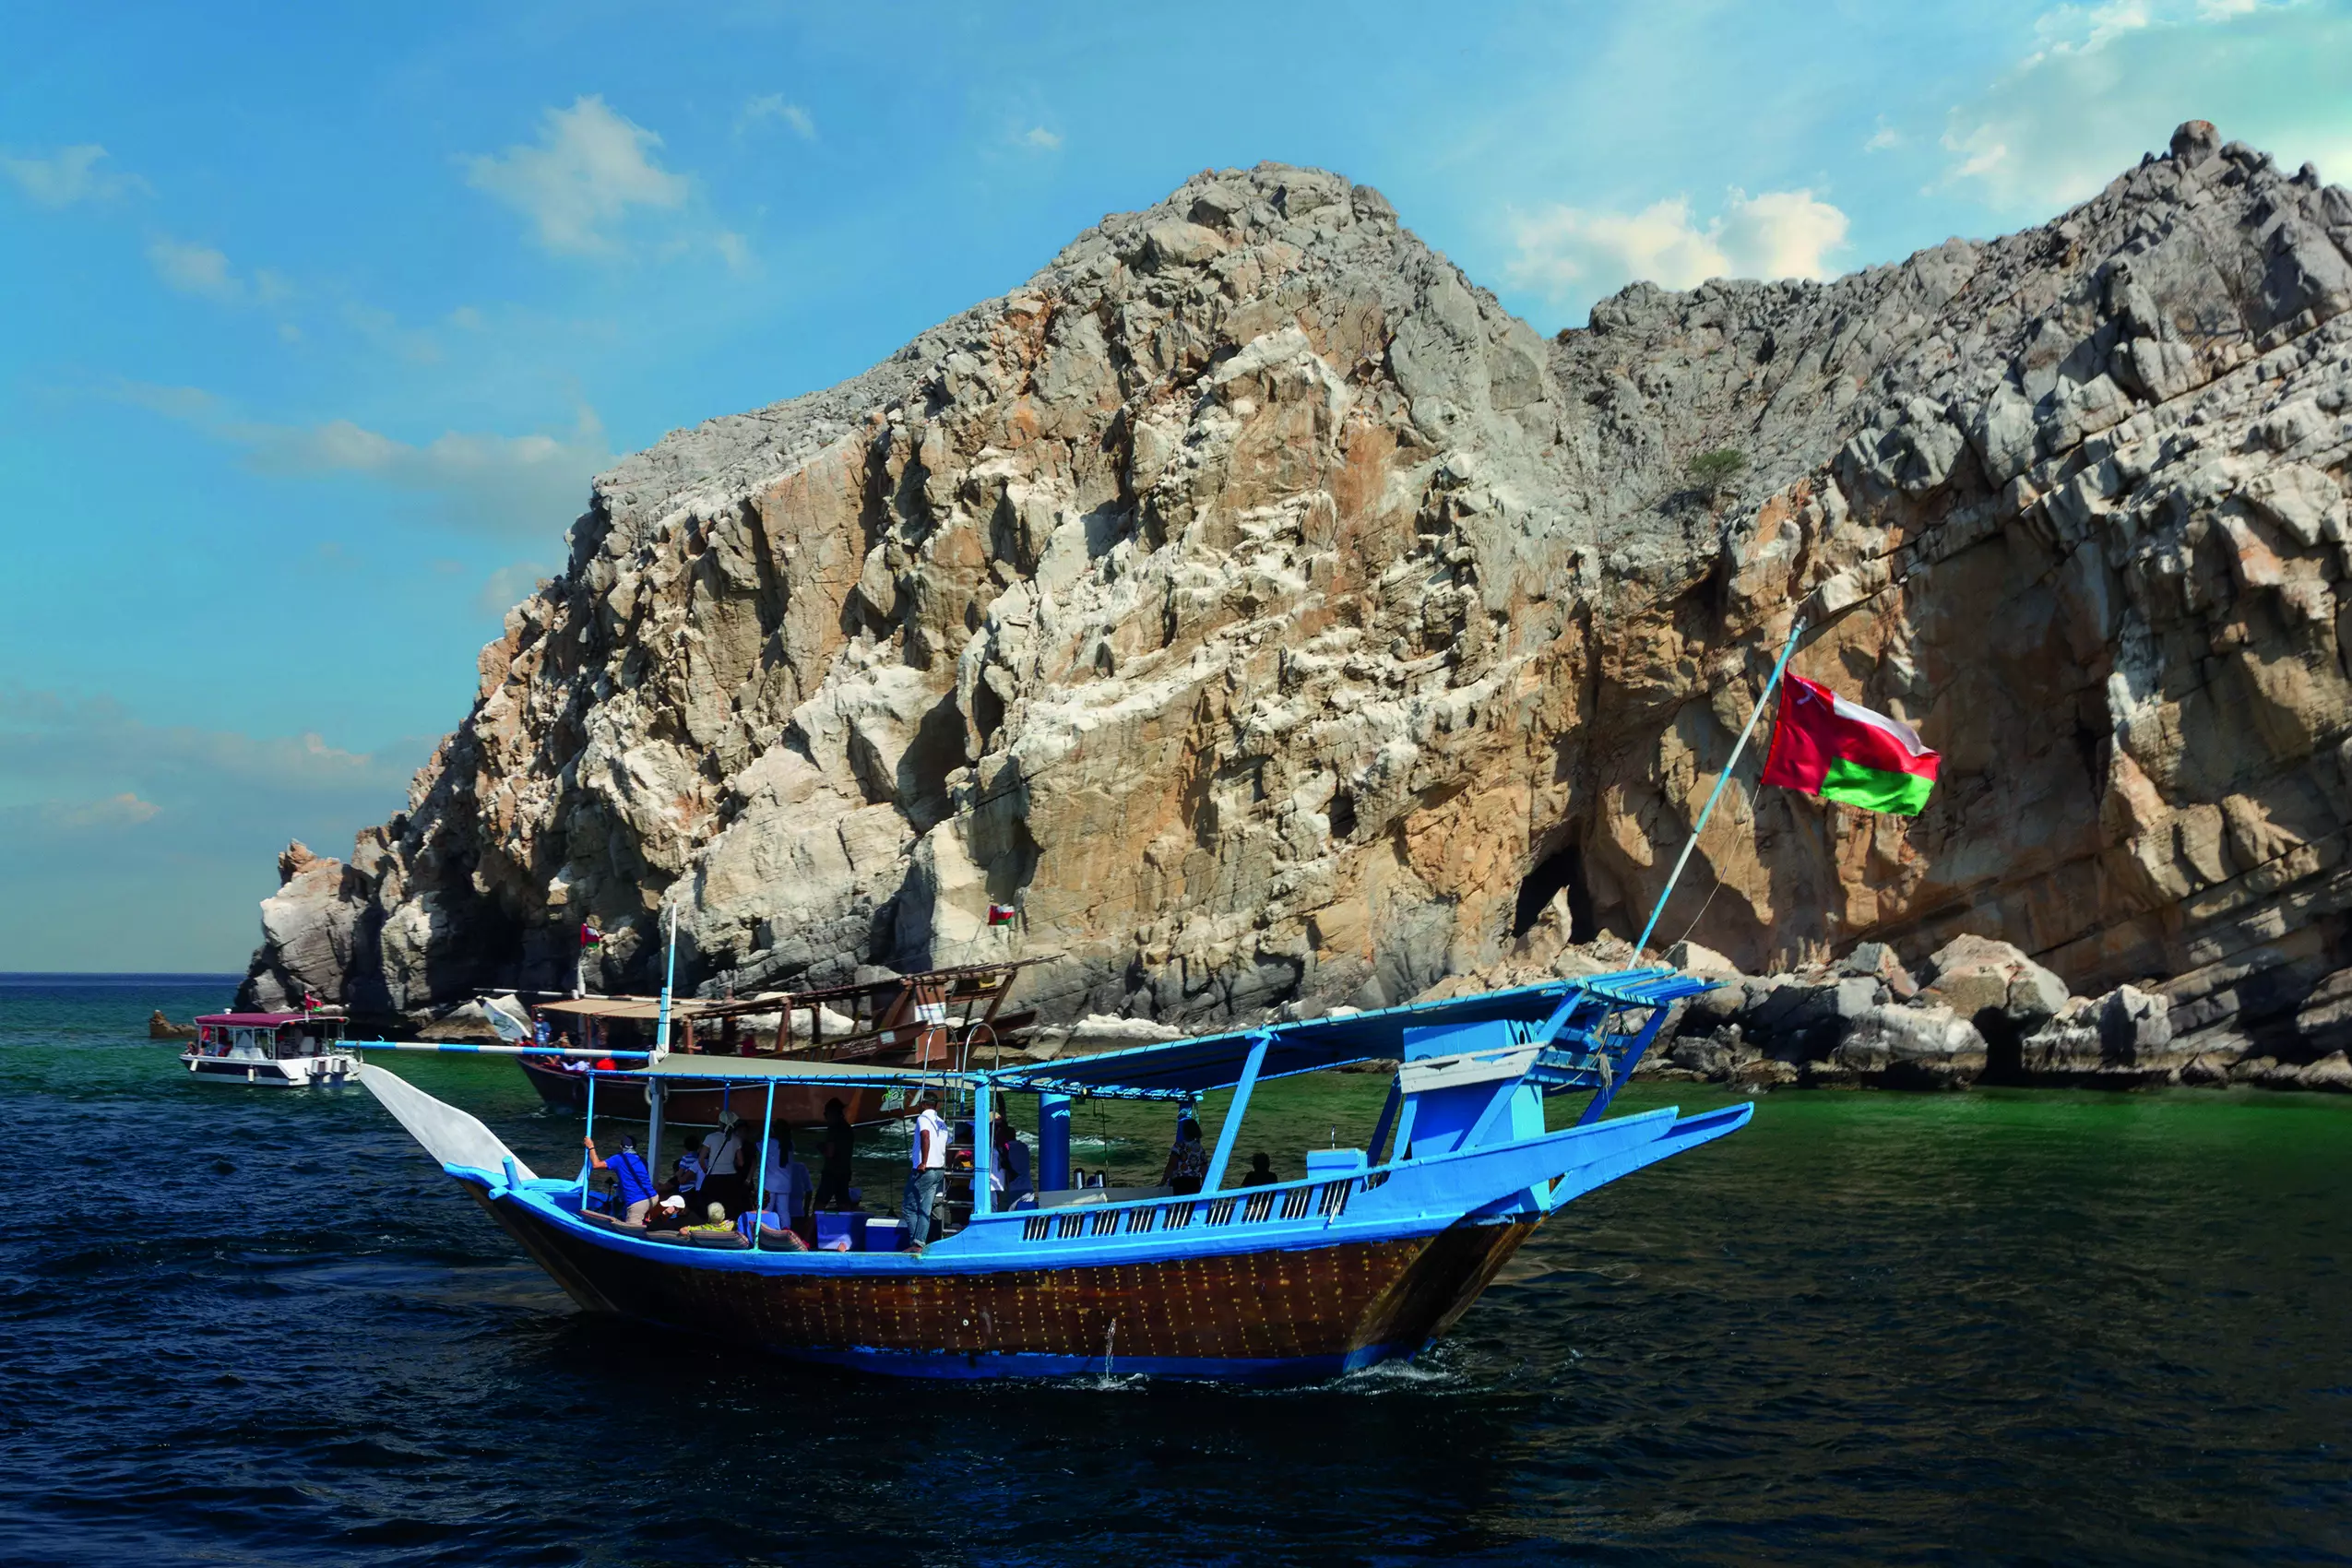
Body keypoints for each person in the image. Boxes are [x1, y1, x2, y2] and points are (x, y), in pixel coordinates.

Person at [900, 1093, 948, 1253]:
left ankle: (915, 1243)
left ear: (923, 1104)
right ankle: (920, 1242)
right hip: (939, 1170)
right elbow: (945, 1144)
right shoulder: (942, 1123)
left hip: (926, 1169)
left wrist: (924, 1162)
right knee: (925, 1209)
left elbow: (925, 1135)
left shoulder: (923, 1118)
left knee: (909, 1207)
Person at [585, 1132, 658, 1223]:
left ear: (621, 1146)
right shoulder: (642, 1160)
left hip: (638, 1202)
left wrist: (591, 1146)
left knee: (631, 1231)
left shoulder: (619, 1158)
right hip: (653, 1197)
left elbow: (596, 1165)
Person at [815, 1098, 857, 1210]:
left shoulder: (834, 1129)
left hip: (831, 1173)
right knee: (843, 1203)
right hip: (844, 1172)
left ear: (832, 1113)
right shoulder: (847, 1129)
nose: (825, 1116)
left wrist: (819, 1146)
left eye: (826, 1113)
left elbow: (829, 1152)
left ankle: (810, 1227)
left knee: (819, 1203)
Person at [991, 1107, 1033, 1207]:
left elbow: (1006, 1164)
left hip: (1015, 1189)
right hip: (1028, 1188)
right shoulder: (1024, 1146)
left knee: (1009, 1215)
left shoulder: (1006, 1147)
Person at [1159, 1115, 1209, 1195]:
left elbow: (1172, 1165)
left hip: (1179, 1182)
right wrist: (1203, 1185)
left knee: (1179, 1206)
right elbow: (1204, 1169)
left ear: (1185, 1131)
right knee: (1191, 1206)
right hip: (1194, 1183)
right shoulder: (1200, 1148)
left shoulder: (1179, 1146)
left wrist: (1163, 1182)